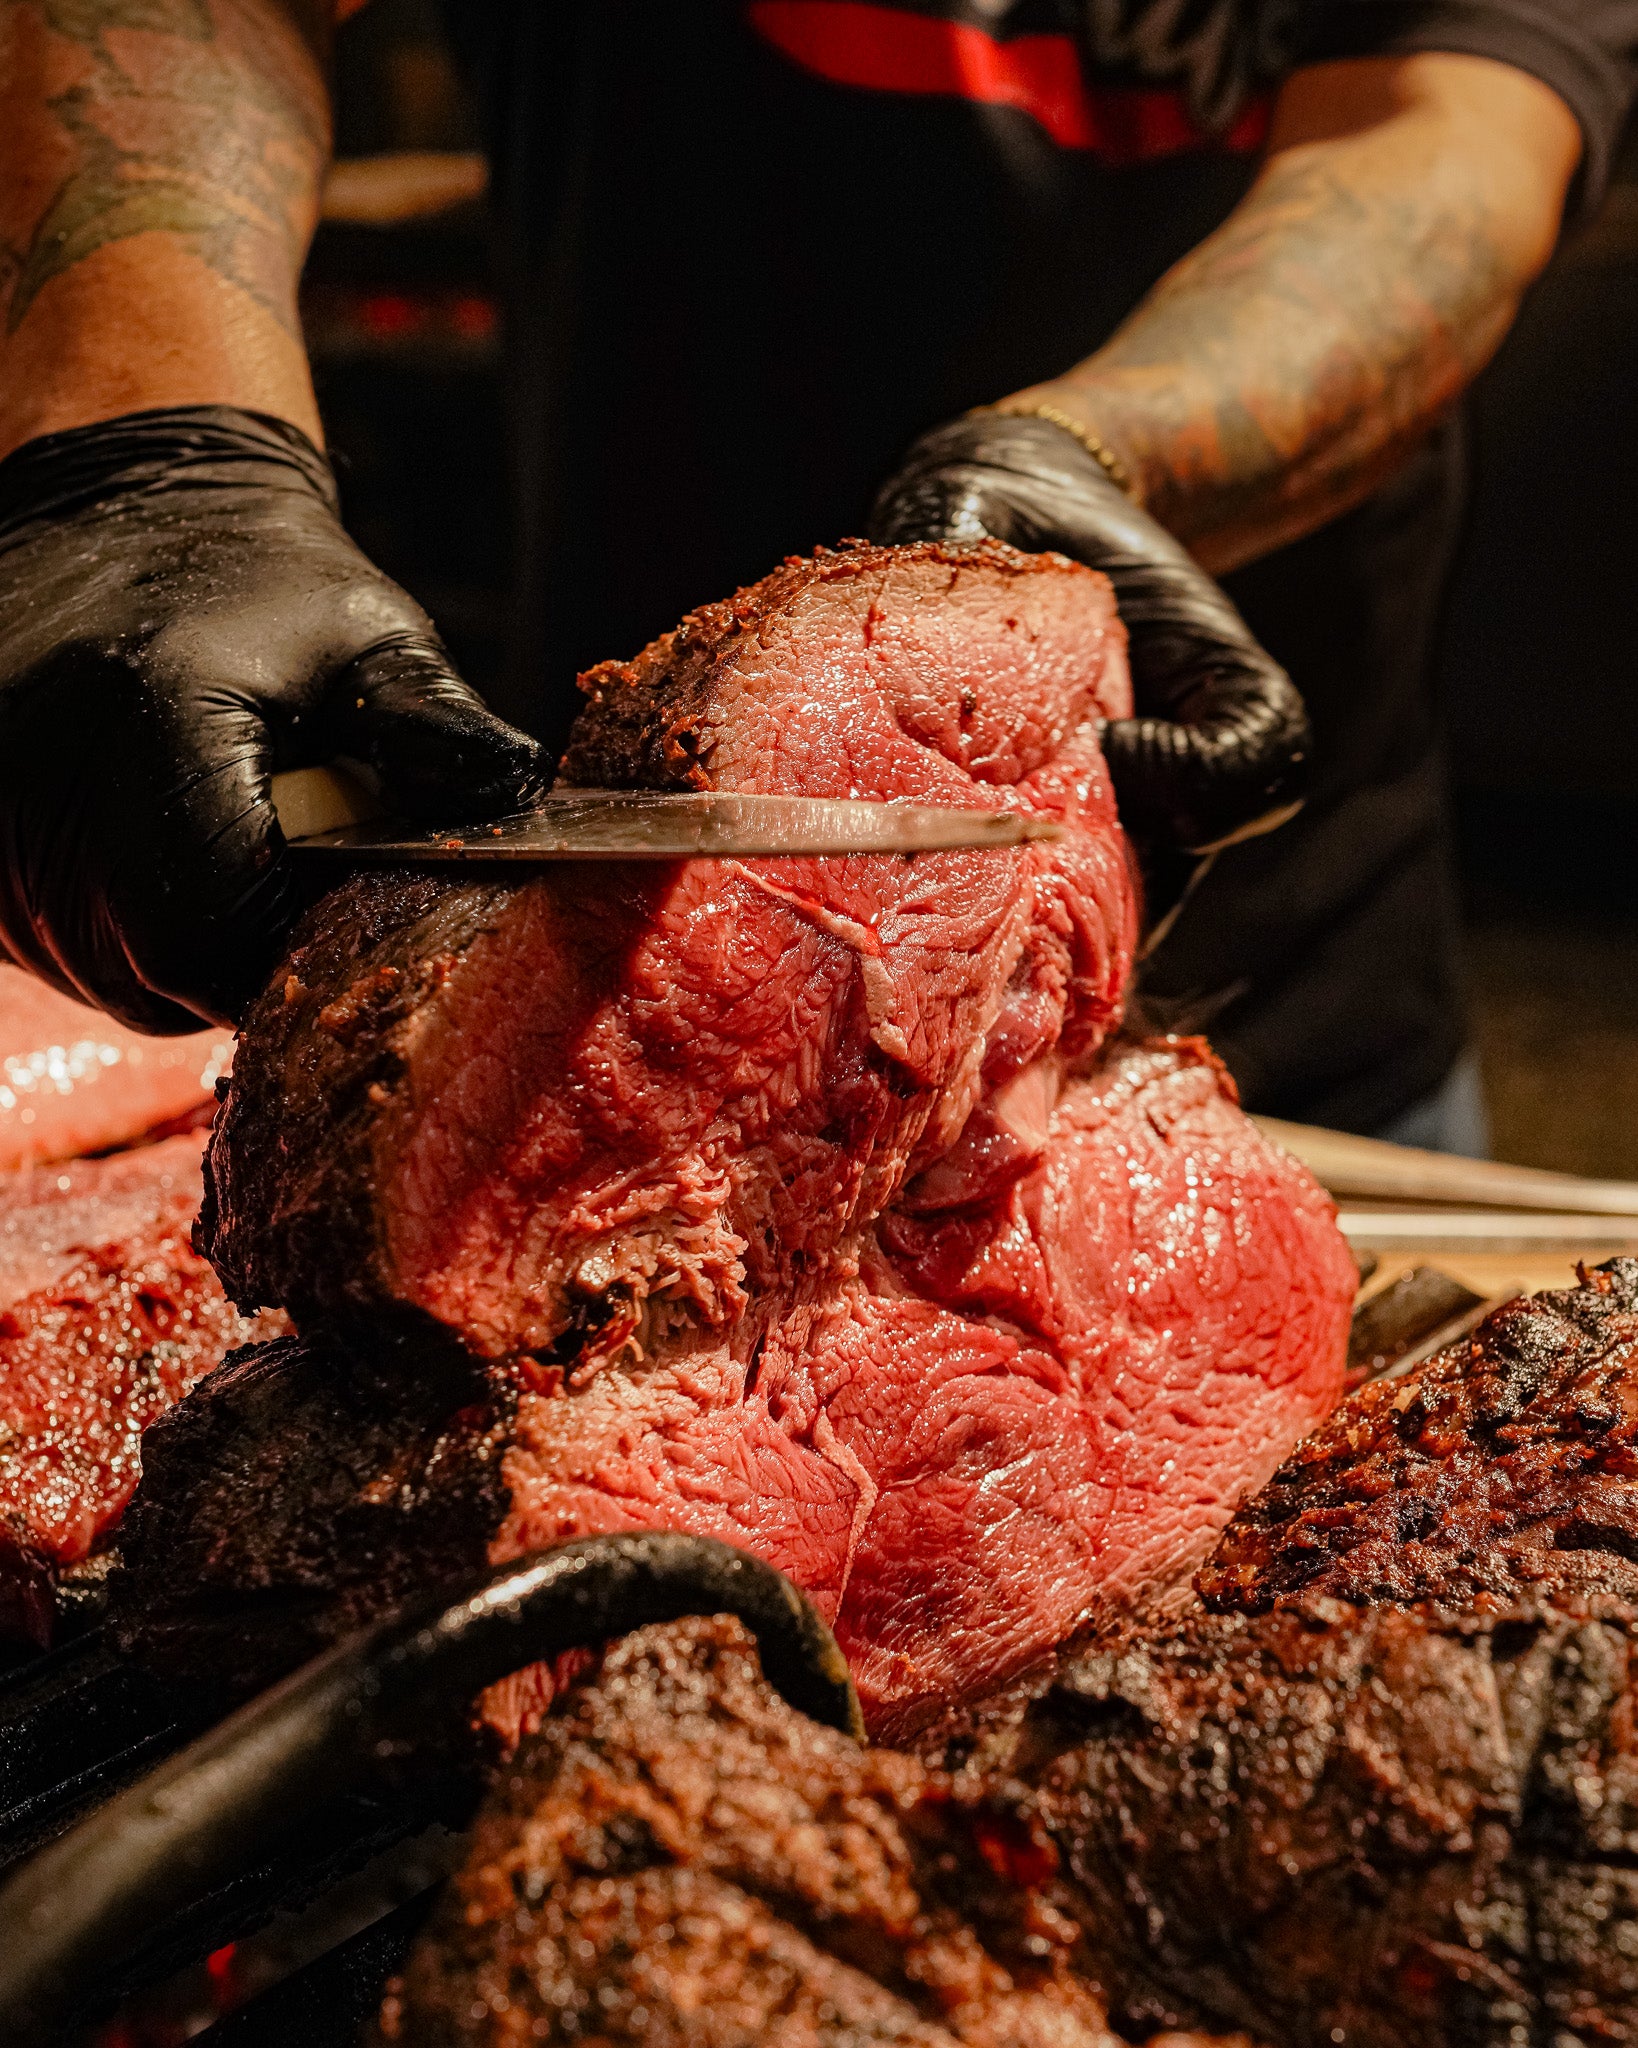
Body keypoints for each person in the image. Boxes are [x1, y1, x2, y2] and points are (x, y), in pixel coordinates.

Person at [0, 2, 1625, 1145]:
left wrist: (1097, 455)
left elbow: (1453, 136)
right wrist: (159, 448)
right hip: (633, 986)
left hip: (1266, 922)